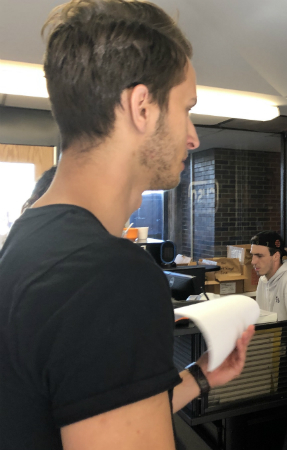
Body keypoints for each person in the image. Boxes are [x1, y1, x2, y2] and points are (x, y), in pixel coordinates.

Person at [0, 2, 253, 449]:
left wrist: (199, 377)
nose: (193, 137)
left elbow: (79, 405)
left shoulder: (30, 234)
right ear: (142, 107)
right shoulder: (110, 276)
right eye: (186, 108)